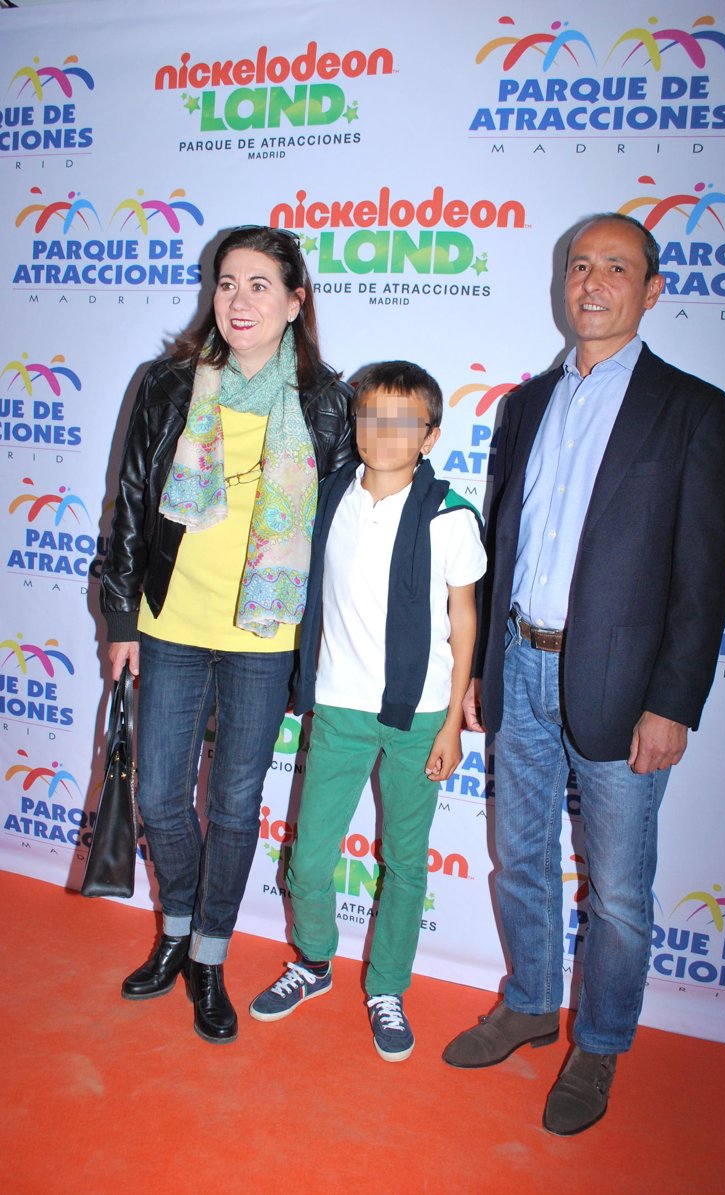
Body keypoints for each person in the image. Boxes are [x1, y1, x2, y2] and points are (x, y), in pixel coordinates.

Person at [442, 214, 725, 1133]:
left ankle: (601, 1042)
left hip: (623, 686)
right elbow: (504, 542)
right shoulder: (525, 405)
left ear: (652, 290)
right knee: (520, 857)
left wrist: (673, 701)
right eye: (580, 265)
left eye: (616, 266)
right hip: (520, 664)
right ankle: (532, 1003)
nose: (593, 281)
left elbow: (703, 574)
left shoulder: (692, 409)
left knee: (616, 890)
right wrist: (484, 669)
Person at [100, 226, 354, 1044]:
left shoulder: (328, 402)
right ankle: (175, 928)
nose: (238, 300)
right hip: (171, 620)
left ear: (296, 301)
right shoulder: (171, 382)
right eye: (226, 282)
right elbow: (130, 501)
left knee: (237, 804)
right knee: (160, 796)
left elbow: (342, 535)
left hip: (265, 634)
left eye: (259, 284)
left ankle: (209, 955)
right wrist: (120, 616)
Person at [249, 361, 486, 1060]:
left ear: (430, 435)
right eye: (370, 416)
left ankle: (387, 987)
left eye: (402, 421)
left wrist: (452, 724)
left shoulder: (450, 515)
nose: (383, 432)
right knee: (309, 861)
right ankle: (314, 961)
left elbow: (464, 620)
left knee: (405, 864)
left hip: (420, 714)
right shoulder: (329, 496)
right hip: (339, 708)